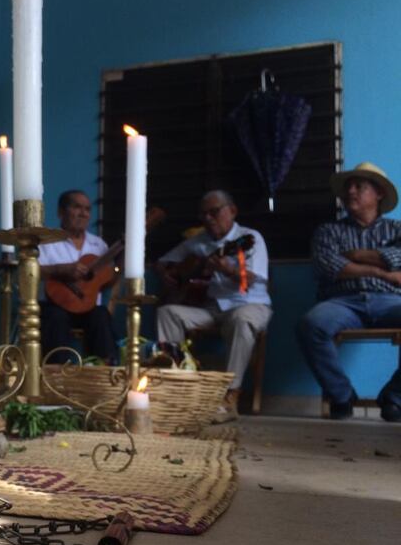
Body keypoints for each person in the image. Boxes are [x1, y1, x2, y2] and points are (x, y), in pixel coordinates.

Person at [155, 190, 271, 422]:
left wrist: (227, 269)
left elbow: (255, 277)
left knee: (242, 319)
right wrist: (168, 274)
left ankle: (229, 396)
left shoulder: (250, 238)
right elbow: (162, 262)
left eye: (214, 212)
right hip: (213, 309)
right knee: (167, 312)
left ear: (232, 211)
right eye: (204, 214)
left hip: (250, 305)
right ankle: (177, 388)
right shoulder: (198, 242)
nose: (208, 218)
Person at [297, 162, 401, 421]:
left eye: (359, 186)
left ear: (378, 193)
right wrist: (383, 271)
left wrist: (355, 256)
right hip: (342, 302)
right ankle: (342, 396)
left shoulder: (397, 229)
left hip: (390, 301)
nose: (350, 192)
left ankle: (395, 398)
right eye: (347, 188)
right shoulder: (328, 231)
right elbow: (329, 265)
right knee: (311, 324)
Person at [38, 189, 118, 364]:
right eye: (77, 207)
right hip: (55, 305)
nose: (83, 213)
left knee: (102, 315)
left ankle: (104, 371)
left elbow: (108, 281)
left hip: (88, 307)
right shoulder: (47, 241)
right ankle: (56, 375)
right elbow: (32, 271)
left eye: (87, 209)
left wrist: (123, 264)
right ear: (61, 212)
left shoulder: (99, 245)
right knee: (55, 318)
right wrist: (60, 270)